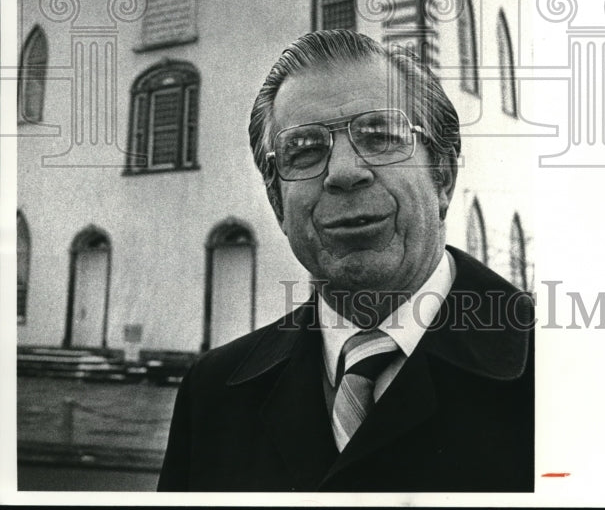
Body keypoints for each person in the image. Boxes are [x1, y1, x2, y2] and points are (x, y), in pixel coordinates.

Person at [158, 30, 534, 493]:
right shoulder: (211, 395)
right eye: (305, 150)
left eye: (379, 136)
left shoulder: (571, 371)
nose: (343, 172)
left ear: (443, 176)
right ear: (278, 202)